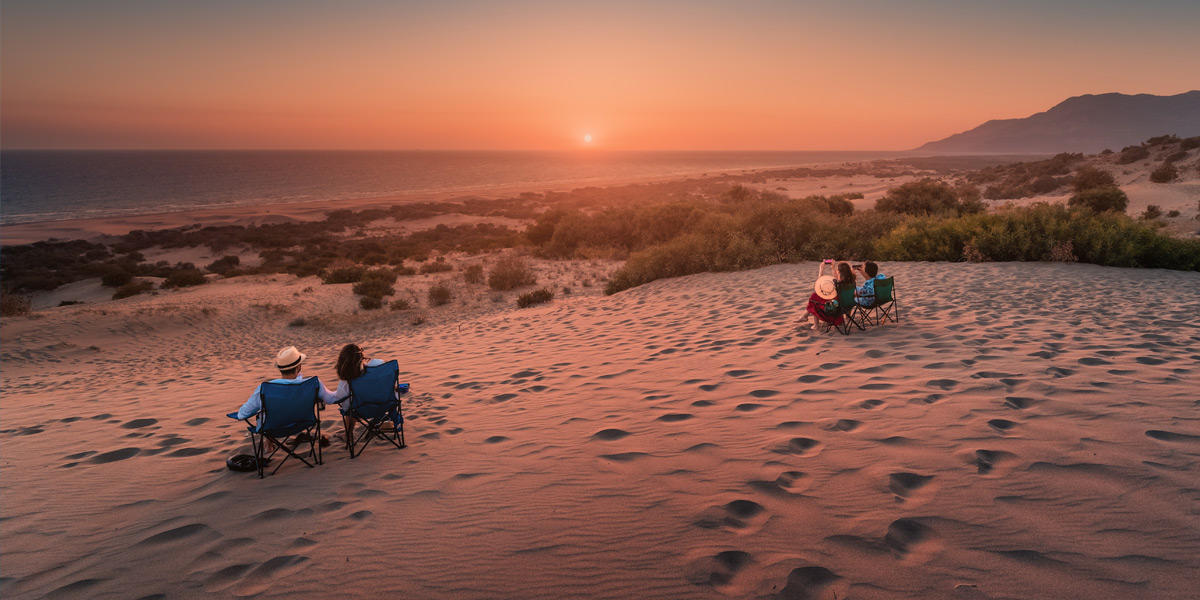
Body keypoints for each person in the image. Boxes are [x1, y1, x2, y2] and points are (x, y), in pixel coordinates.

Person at [235, 346, 338, 451]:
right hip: (303, 423)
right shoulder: (313, 383)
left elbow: (242, 414)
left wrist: (240, 413)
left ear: (280, 369)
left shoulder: (266, 389)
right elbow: (331, 399)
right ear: (299, 367)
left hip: (274, 428)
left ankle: (269, 444)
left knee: (266, 413)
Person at [330, 344, 398, 440]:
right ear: (362, 356)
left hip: (360, 412)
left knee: (349, 407)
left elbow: (341, 400)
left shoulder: (346, 381)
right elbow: (390, 383)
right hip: (385, 406)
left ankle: (348, 434)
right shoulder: (378, 366)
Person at [799, 260, 856, 331]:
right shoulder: (852, 282)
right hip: (847, 308)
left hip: (836, 311)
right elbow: (836, 279)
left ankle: (815, 325)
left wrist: (821, 269)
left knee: (814, 297)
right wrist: (833, 268)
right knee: (817, 296)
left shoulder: (838, 285)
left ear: (839, 272)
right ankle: (805, 315)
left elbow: (818, 284)